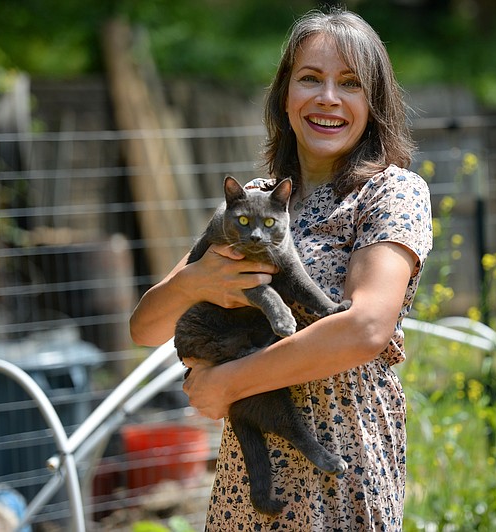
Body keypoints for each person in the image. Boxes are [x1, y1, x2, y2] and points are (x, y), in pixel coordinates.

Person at [129, 7, 432, 531]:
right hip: (246, 479)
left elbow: (365, 328)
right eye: (310, 78)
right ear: (284, 95)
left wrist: (226, 383)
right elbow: (145, 328)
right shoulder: (253, 205)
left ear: (374, 102)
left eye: (350, 84)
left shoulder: (391, 192)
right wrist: (196, 282)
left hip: (342, 461)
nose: (328, 98)